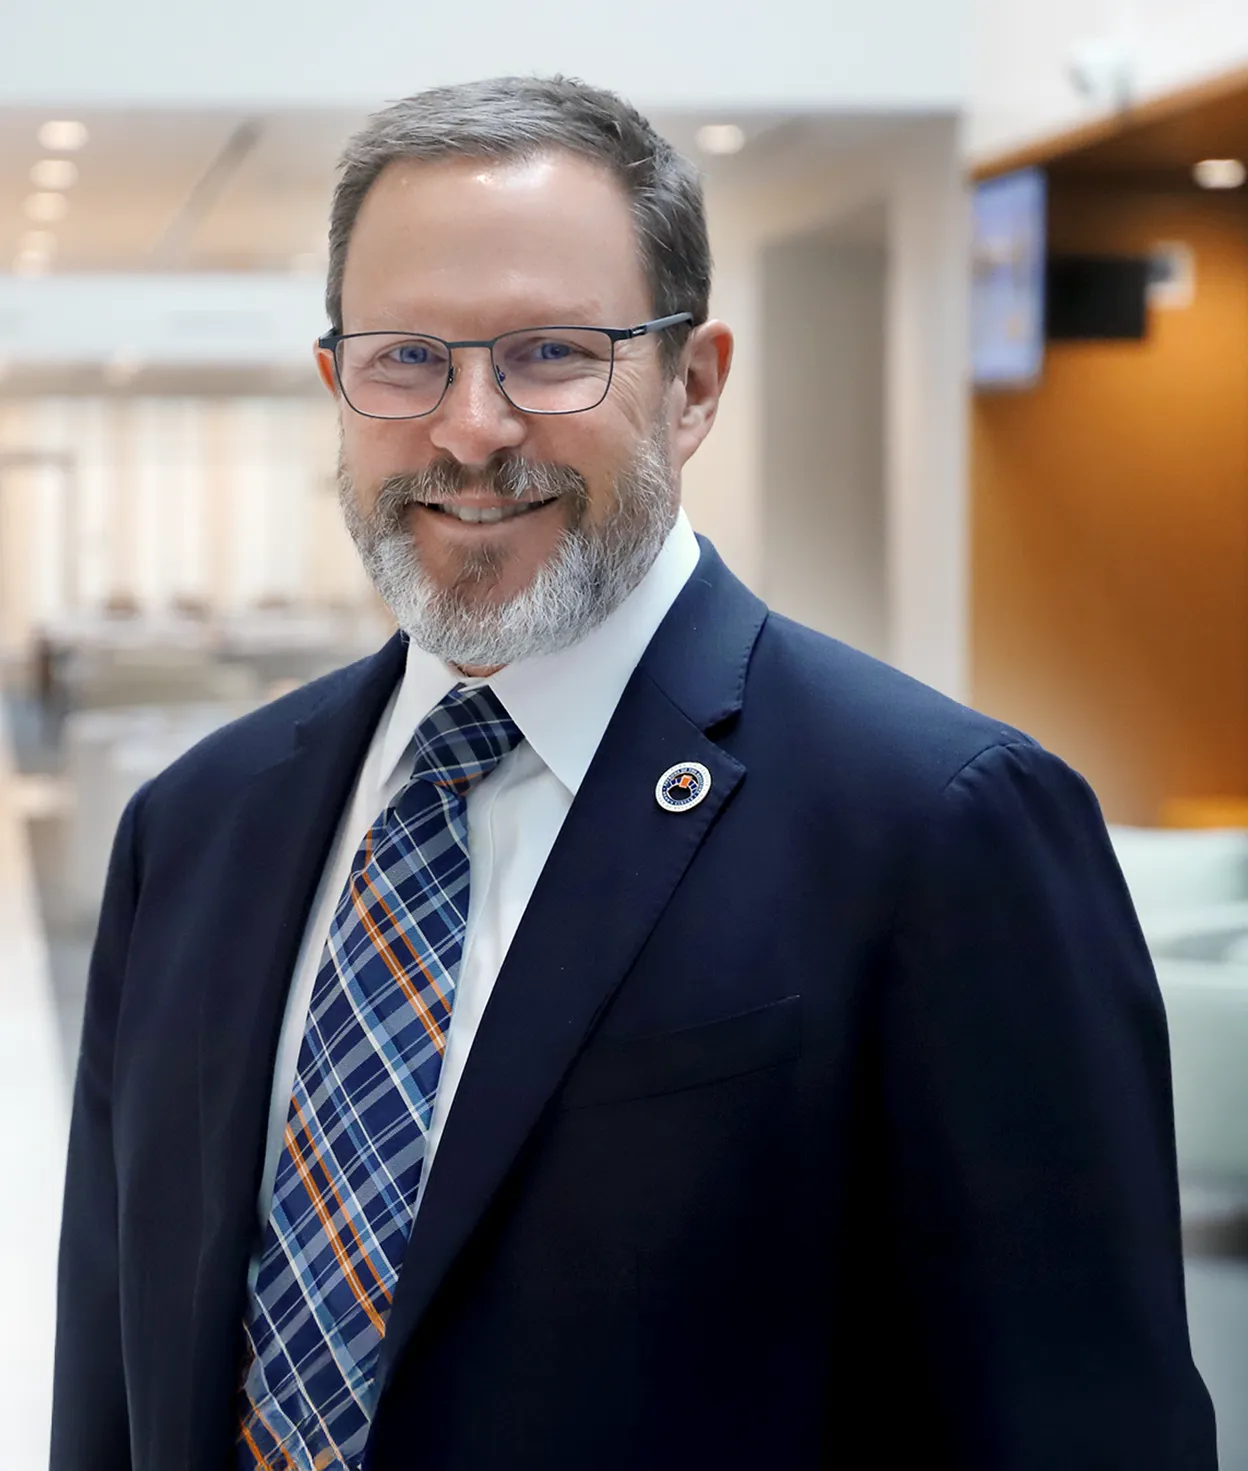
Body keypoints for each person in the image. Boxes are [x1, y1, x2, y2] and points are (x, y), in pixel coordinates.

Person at [51, 76, 1217, 1471]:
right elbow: (113, 1387)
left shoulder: (940, 829)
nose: (470, 428)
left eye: (551, 353)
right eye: (405, 358)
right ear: (336, 384)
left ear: (694, 387)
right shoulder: (197, 828)